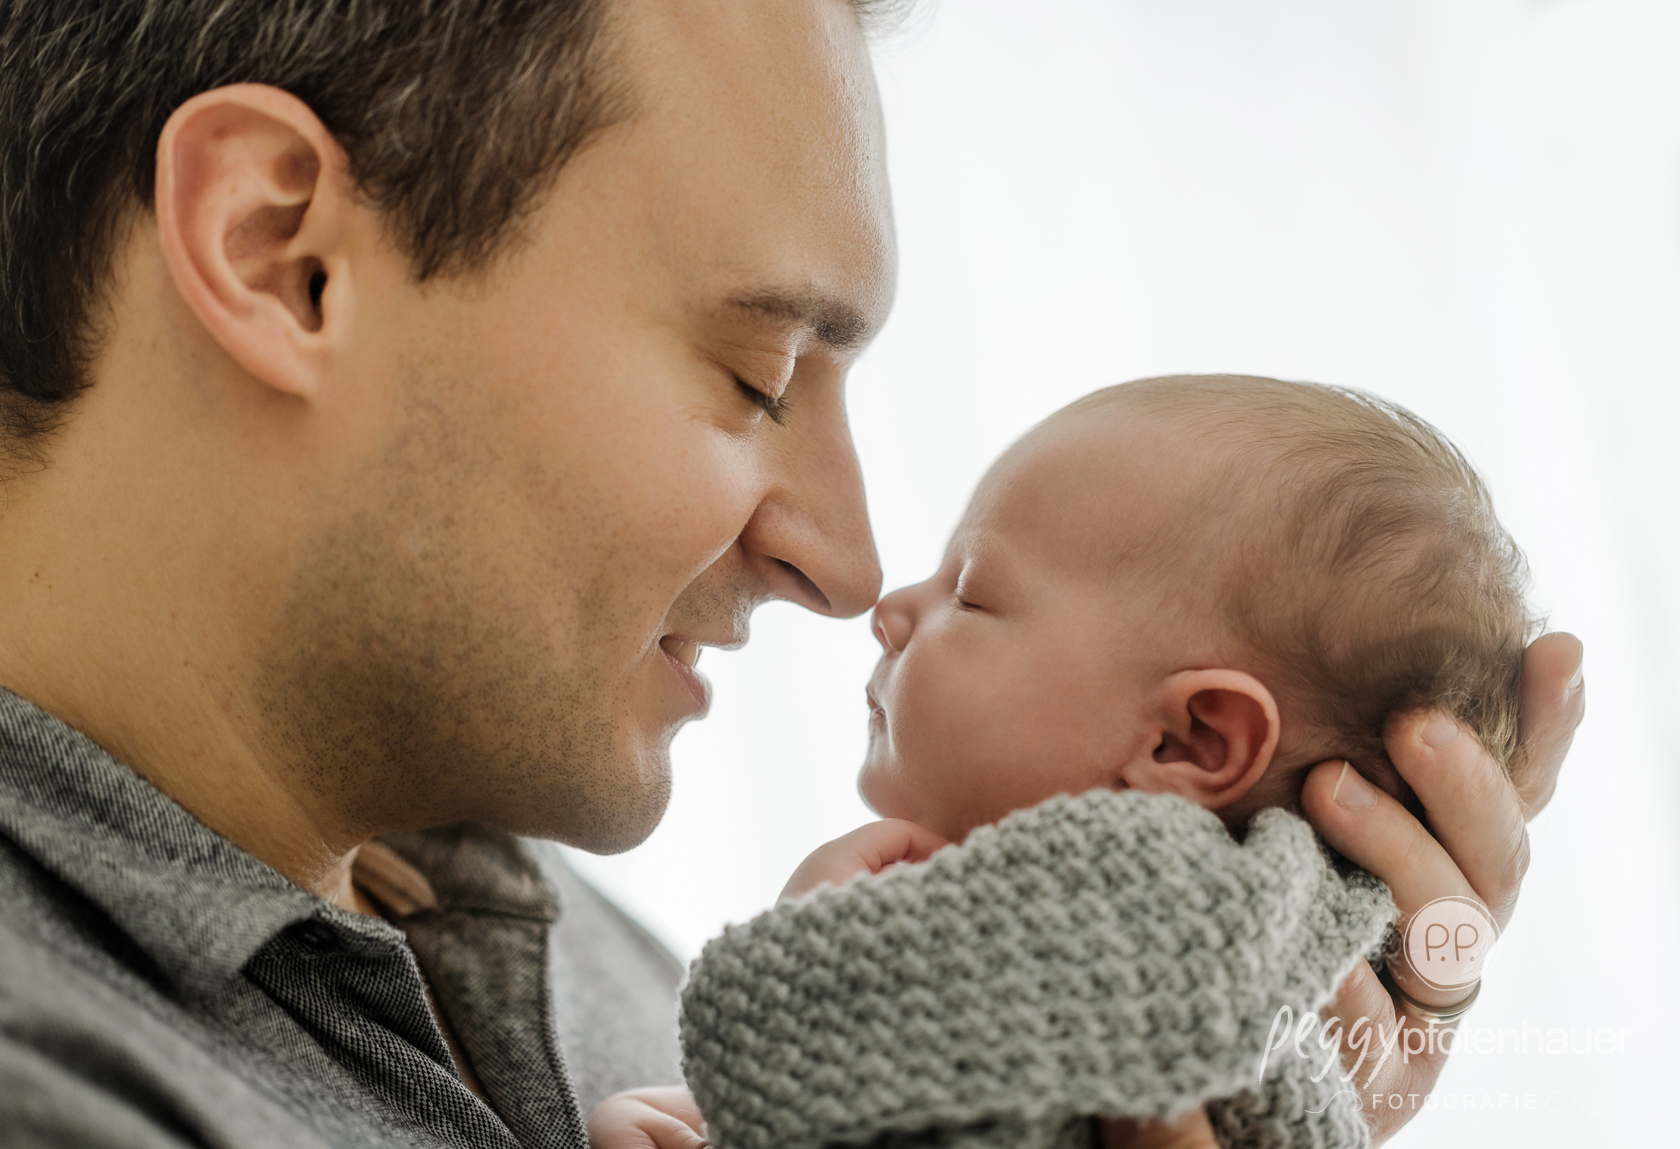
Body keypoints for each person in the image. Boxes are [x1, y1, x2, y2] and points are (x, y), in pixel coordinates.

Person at [0, 0, 1582, 1146]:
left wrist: (1303, 1061)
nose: (847, 567)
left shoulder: (627, 975)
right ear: (286, 256)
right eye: (759, 377)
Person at [654, 376, 1537, 1149]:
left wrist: (824, 982)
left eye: (969, 590)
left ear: (1190, 741)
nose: (886, 607)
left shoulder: (1114, 955)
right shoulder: (1202, 985)